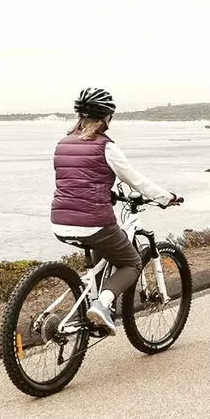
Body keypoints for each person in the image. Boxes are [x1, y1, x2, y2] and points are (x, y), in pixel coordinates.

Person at [50, 87, 181, 335]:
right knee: (131, 262)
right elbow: (136, 181)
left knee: (106, 247)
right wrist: (166, 197)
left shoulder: (62, 144)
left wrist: (107, 193)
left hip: (60, 222)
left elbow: (74, 181)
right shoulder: (105, 147)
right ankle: (102, 304)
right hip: (94, 223)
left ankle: (98, 307)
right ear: (106, 117)